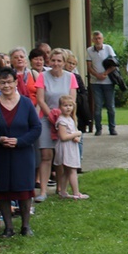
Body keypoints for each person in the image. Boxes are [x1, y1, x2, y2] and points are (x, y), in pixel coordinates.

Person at [0, 67, 42, 237]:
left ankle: (26, 226)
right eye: (2, 82)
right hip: (1, 154)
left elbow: (36, 128)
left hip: (23, 154)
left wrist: (20, 141)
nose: (6, 86)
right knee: (3, 190)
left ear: (15, 83)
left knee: (24, 189)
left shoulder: (26, 103)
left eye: (9, 82)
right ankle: (8, 227)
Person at [34, 49, 77, 202]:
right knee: (46, 155)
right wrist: (52, 117)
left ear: (64, 62)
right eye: (53, 60)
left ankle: (61, 187)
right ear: (49, 61)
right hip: (47, 118)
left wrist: (62, 120)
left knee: (60, 155)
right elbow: (40, 99)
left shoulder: (70, 77)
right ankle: (43, 191)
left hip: (64, 120)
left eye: (59, 61)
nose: (56, 64)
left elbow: (72, 100)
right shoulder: (42, 76)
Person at [53, 95, 87, 199]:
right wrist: (78, 133)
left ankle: (63, 192)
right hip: (66, 148)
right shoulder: (62, 121)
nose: (68, 108)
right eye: (65, 105)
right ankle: (76, 193)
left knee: (67, 171)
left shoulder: (70, 119)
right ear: (60, 107)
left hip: (71, 147)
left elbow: (70, 134)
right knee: (72, 170)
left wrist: (75, 137)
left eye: (70, 105)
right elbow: (63, 136)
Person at [86, 31, 117, 136]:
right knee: (98, 106)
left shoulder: (108, 48)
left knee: (110, 106)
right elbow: (89, 67)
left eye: (99, 38)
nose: (98, 40)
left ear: (102, 39)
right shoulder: (89, 50)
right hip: (95, 82)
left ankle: (112, 128)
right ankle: (98, 128)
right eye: (95, 38)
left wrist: (105, 73)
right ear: (93, 40)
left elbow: (114, 64)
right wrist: (97, 75)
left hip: (108, 81)